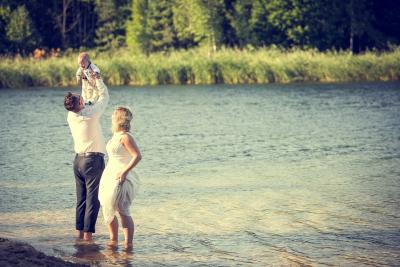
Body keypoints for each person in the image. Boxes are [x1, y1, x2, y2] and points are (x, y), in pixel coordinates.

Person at [64, 70, 109, 241]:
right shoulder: (91, 115)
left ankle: (79, 234)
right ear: (80, 103)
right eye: (81, 98)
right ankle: (88, 238)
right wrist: (97, 80)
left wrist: (85, 79)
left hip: (78, 162)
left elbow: (85, 98)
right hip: (92, 161)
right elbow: (104, 98)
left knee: (81, 199)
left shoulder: (71, 115)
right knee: (93, 199)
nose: (83, 98)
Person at [99, 107, 142, 250]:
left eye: (114, 114)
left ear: (119, 118)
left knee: (122, 210)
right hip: (110, 175)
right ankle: (113, 241)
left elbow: (137, 156)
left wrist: (124, 172)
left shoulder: (126, 137)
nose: (111, 116)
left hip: (122, 177)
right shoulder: (115, 136)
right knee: (107, 207)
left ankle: (128, 245)